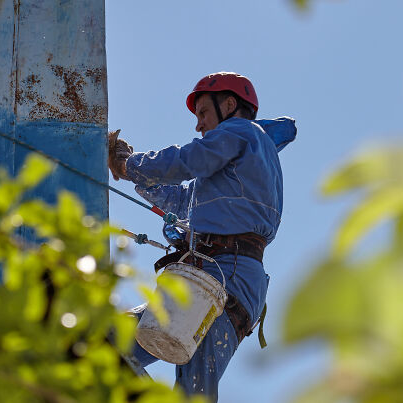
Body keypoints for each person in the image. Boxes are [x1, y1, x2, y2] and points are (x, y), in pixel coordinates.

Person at [109, 72, 296, 401]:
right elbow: (183, 201)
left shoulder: (242, 132)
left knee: (186, 386)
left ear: (228, 105)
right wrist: (135, 172)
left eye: (203, 113)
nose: (198, 125)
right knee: (117, 343)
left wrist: (130, 165)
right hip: (223, 276)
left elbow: (186, 160)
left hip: (225, 274)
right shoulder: (241, 163)